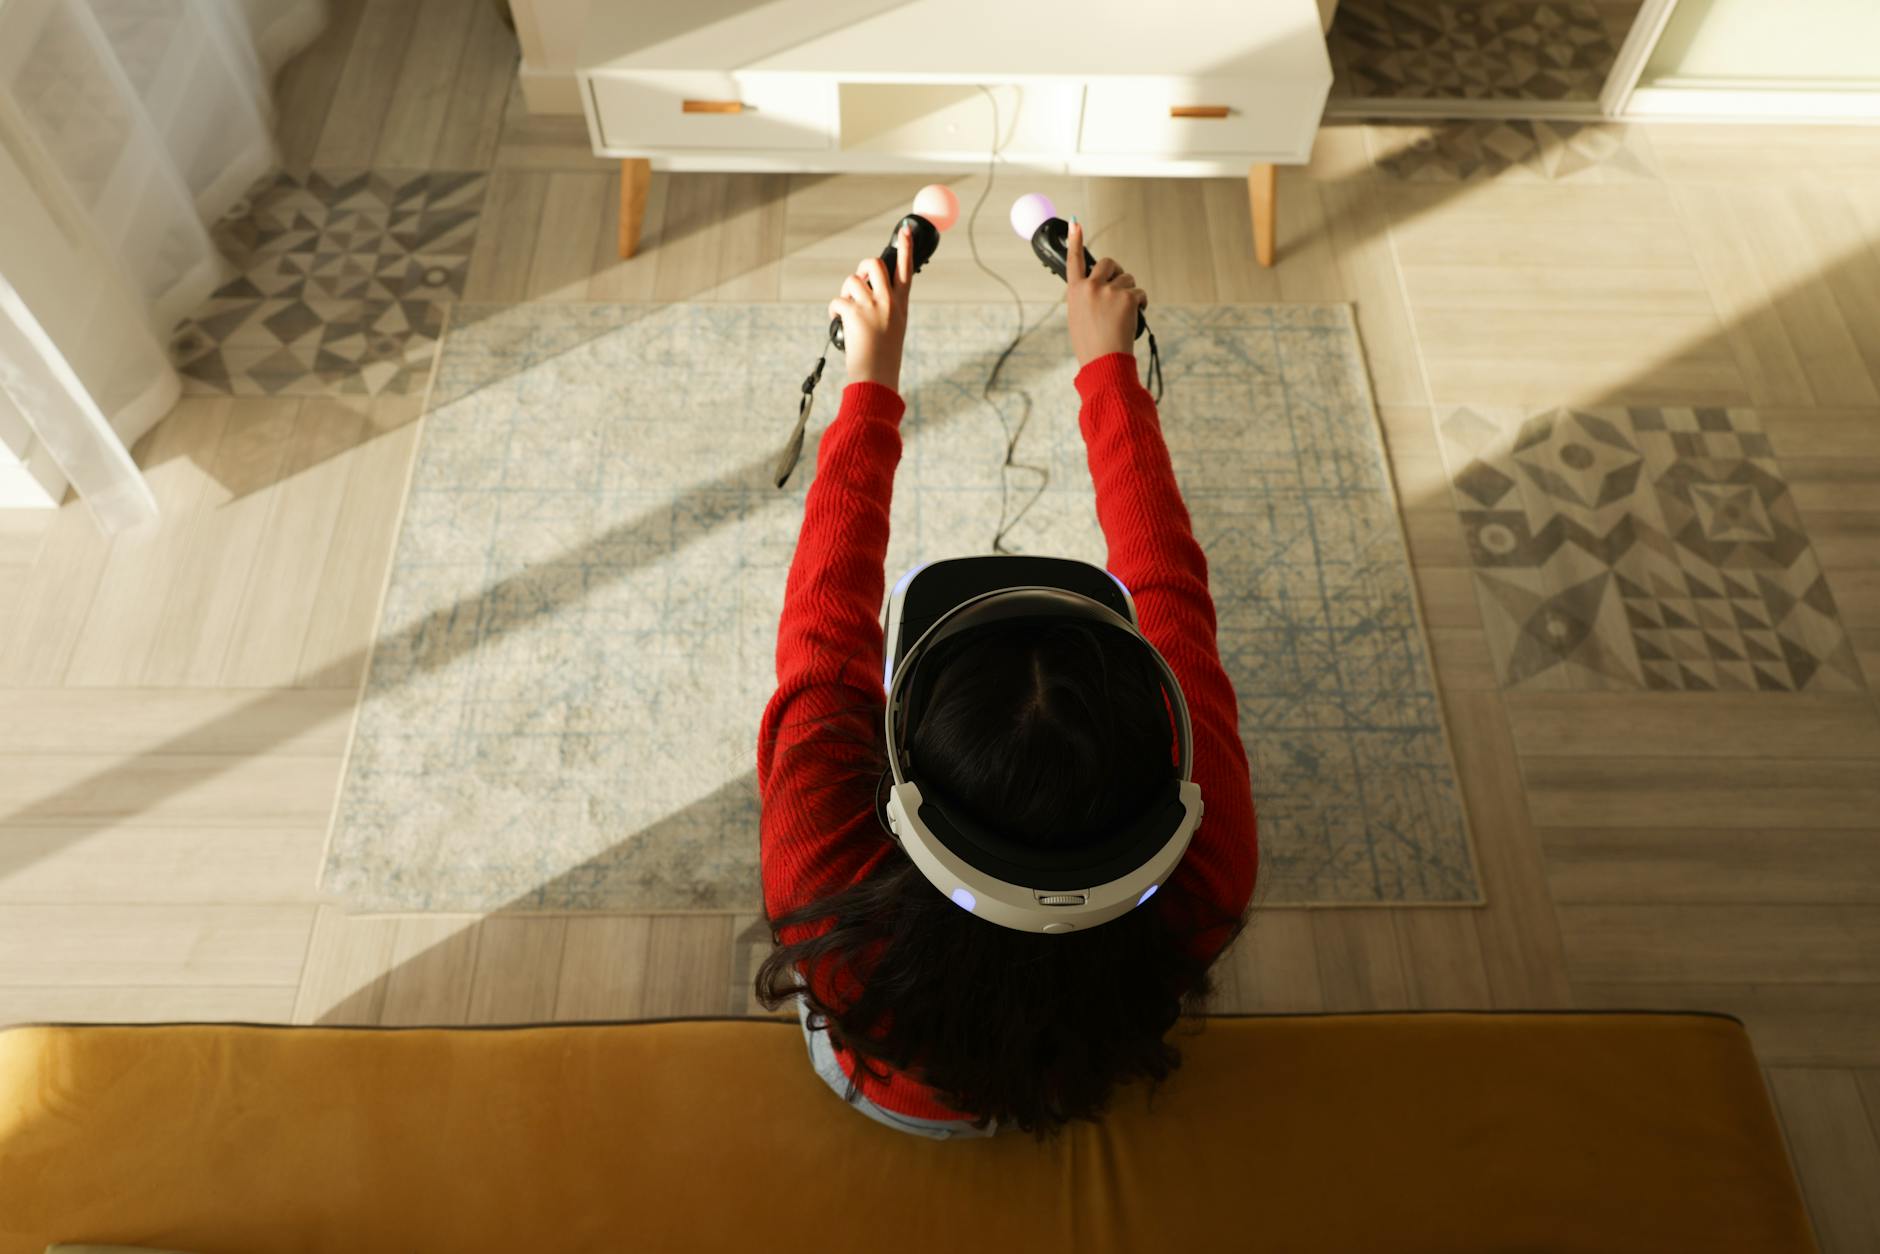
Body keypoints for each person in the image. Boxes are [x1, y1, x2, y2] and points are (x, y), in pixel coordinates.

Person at [755, 217, 1258, 1140]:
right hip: (1090, 1065)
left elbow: (823, 630)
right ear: (1160, 742)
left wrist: (868, 382)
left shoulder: (822, 878)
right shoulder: (1211, 862)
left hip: (884, 1090)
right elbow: (1170, 587)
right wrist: (1108, 367)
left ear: (902, 774)